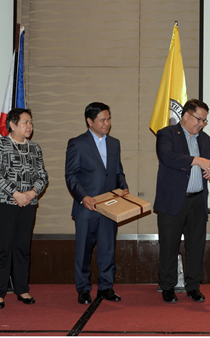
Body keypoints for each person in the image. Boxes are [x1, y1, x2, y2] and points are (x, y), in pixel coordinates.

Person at [154, 99, 210, 304]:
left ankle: (193, 287)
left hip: (197, 201)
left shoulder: (206, 139)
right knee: (169, 246)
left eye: (204, 120)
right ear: (186, 116)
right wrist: (196, 160)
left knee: (196, 246)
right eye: (199, 119)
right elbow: (167, 157)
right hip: (173, 200)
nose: (201, 124)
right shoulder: (167, 134)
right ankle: (167, 287)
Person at [65, 102, 129, 305]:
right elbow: (71, 176)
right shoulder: (77, 143)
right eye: (102, 120)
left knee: (108, 250)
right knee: (83, 250)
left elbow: (118, 171)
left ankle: (106, 287)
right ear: (89, 121)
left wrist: (124, 187)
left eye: (109, 119)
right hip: (87, 208)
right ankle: (83, 289)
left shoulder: (114, 143)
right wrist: (83, 197)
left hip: (110, 206)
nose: (107, 123)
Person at [0, 108, 48, 309]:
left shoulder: (35, 148)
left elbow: (42, 176)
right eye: (25, 122)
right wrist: (16, 193)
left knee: (22, 248)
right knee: (3, 247)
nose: (29, 126)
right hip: (3, 204)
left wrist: (30, 194)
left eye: (31, 122)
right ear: (12, 124)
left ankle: (22, 289)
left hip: (28, 204)